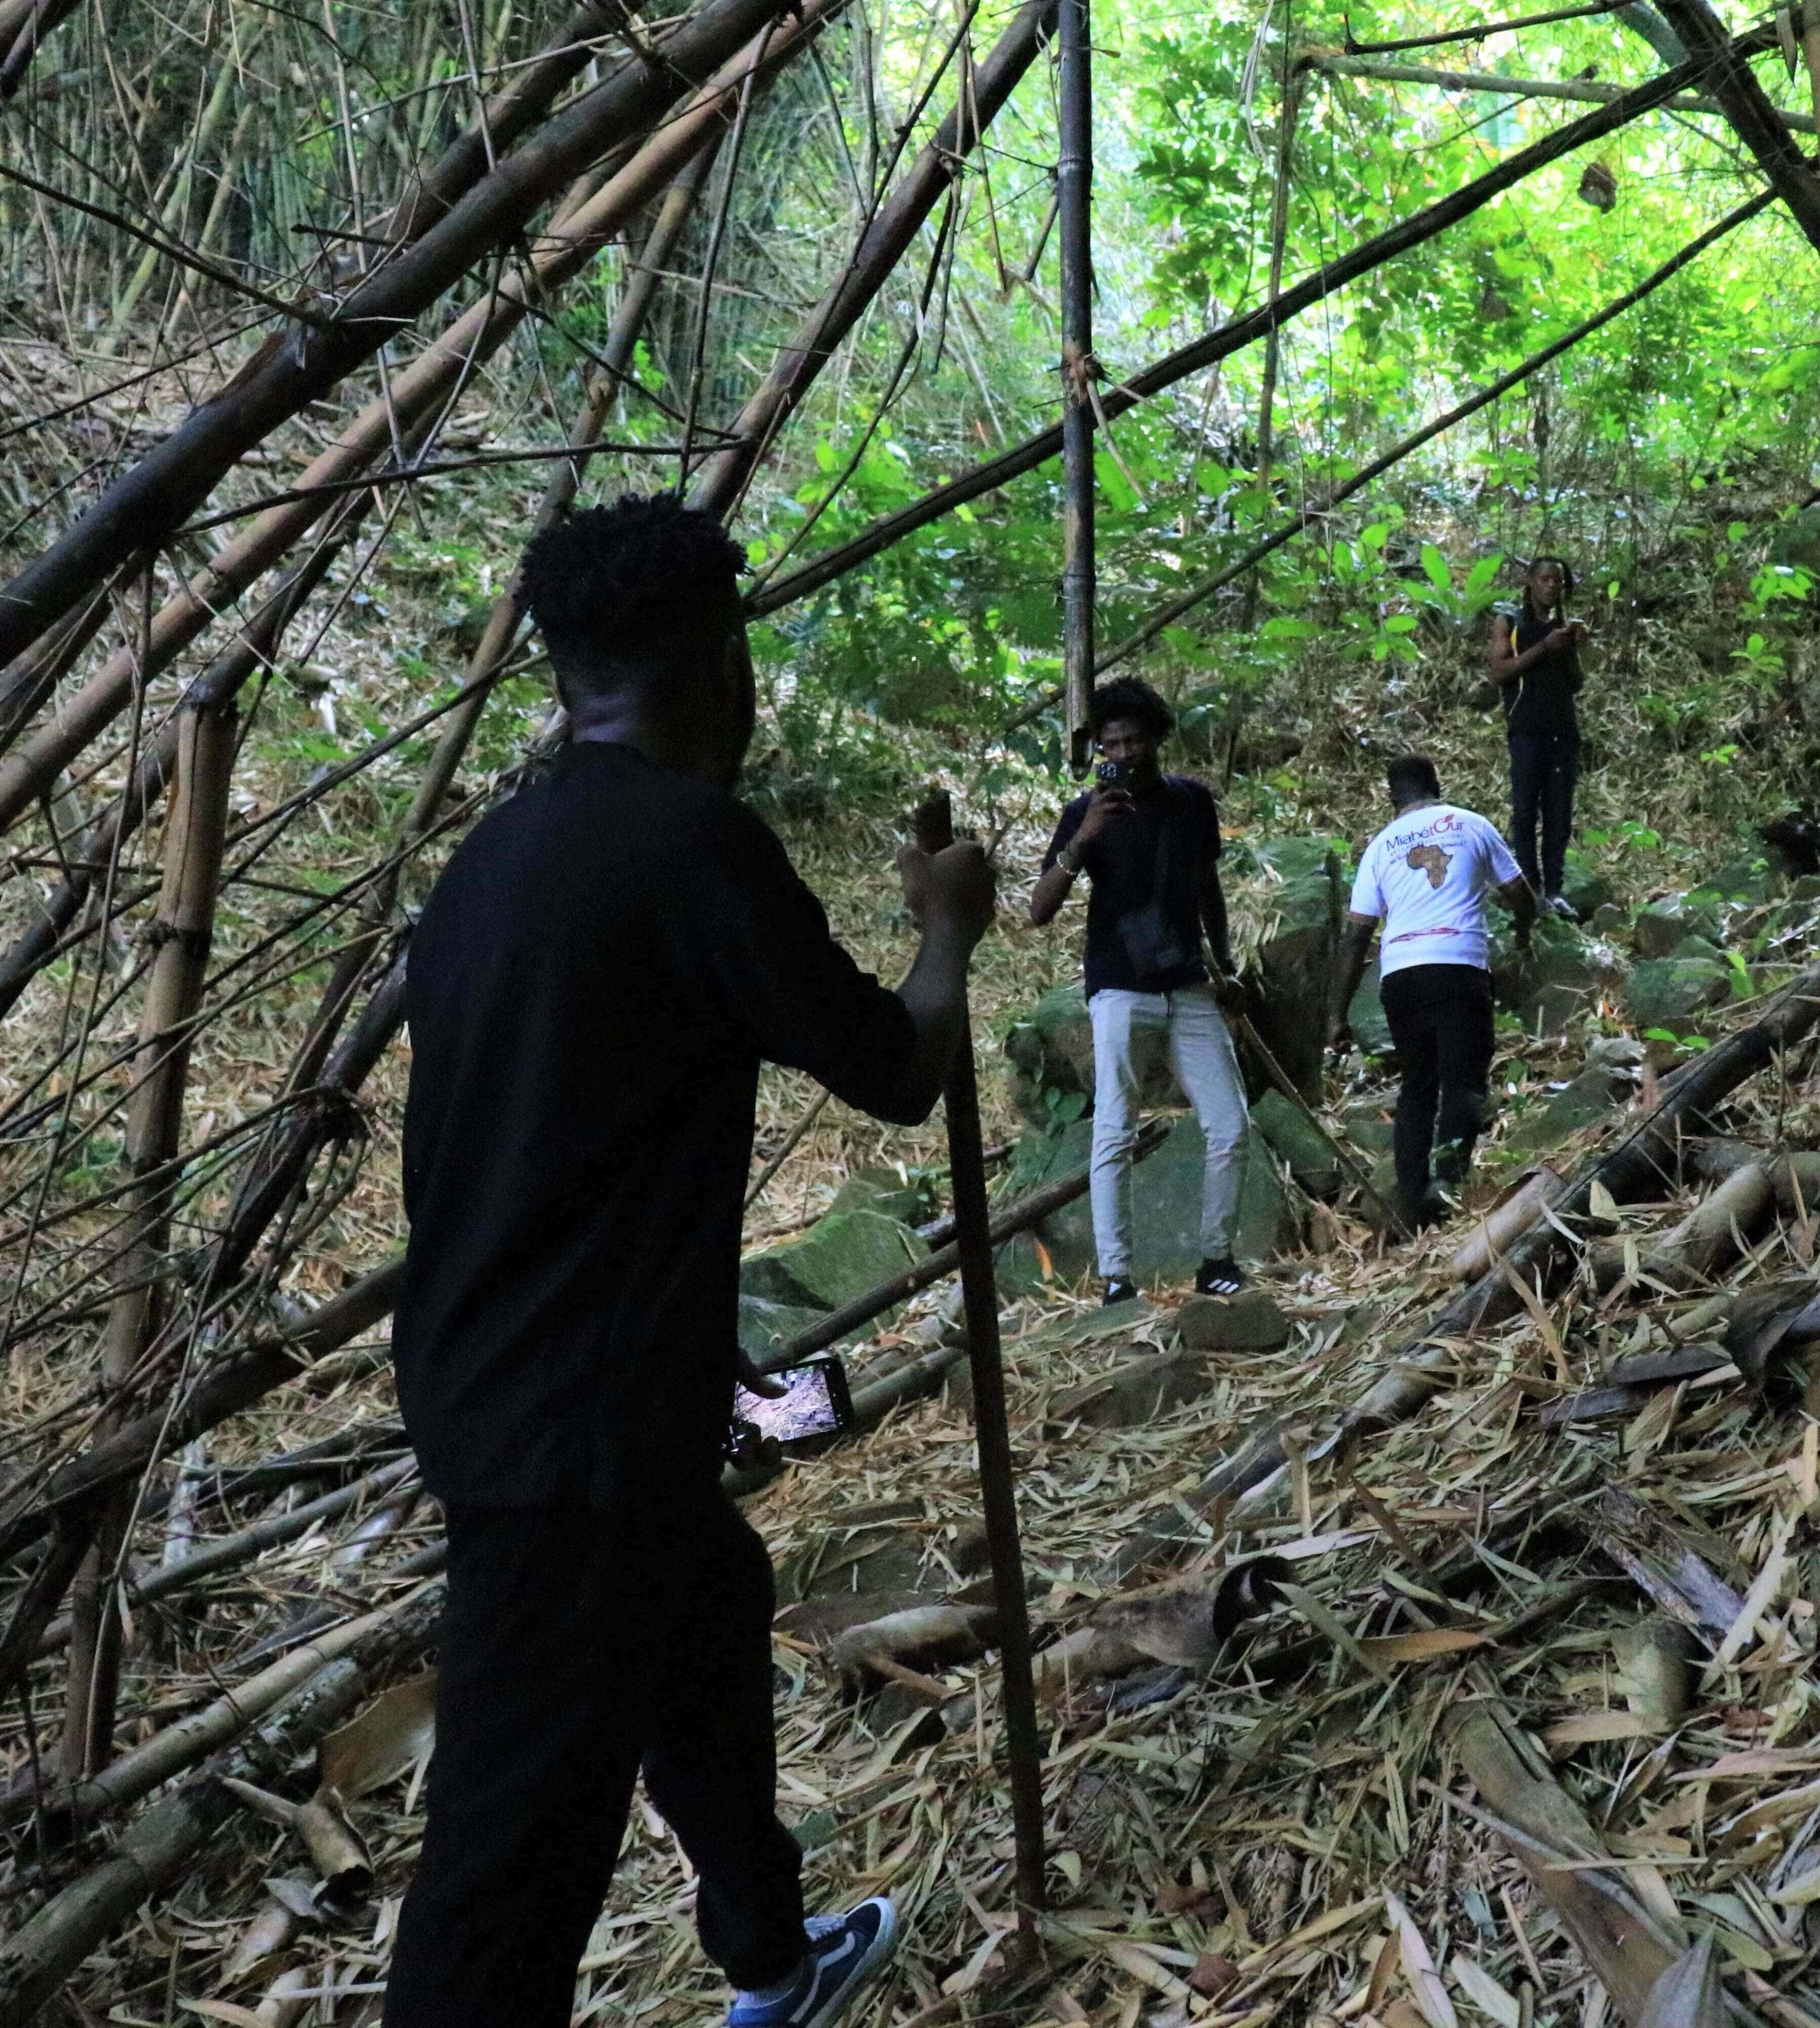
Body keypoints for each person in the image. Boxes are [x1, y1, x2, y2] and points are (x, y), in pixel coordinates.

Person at [385, 493, 996, 2028]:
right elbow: (894, 1063)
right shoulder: (689, 846)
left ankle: (771, 1960)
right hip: (569, 1444)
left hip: (531, 1398)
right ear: (720, 663)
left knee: (707, 1615)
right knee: (502, 1877)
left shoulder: (489, 863)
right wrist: (946, 928)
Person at [1028, 677, 1250, 1306]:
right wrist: (1083, 838)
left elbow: (1208, 886)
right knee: (1114, 1130)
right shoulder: (1086, 814)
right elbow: (1038, 909)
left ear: (1156, 740)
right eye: (1112, 744)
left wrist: (1225, 961)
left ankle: (1216, 1259)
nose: (1123, 753)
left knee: (1229, 1123)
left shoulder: (1191, 802)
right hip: (1119, 985)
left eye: (1133, 741)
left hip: (1186, 982)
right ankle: (1117, 1278)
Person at [1327, 754, 1538, 1227]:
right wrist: (1524, 934)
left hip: (1401, 974)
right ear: (1437, 786)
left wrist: (1335, 1017)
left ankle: (1409, 1199)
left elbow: (1356, 934)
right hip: (1458, 965)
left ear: (1391, 796)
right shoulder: (1471, 825)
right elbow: (1520, 895)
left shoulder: (1380, 847)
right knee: (1463, 1077)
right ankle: (1448, 1182)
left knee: (1417, 1084)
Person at [1486, 554, 1588, 913]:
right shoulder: (1510, 621)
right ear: (1531, 580)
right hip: (1527, 731)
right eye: (1545, 579)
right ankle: (1528, 888)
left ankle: (1555, 890)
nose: (1551, 587)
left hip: (1563, 731)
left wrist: (1571, 649)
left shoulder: (1561, 625)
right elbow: (1501, 672)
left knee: (1559, 814)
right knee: (1526, 811)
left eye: (1557, 582)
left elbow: (1576, 683)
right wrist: (1545, 648)